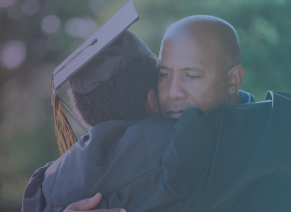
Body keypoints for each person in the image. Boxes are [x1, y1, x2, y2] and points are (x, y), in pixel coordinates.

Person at [23, 14, 291, 212]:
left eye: (192, 75)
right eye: (163, 75)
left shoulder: (46, 185)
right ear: (150, 95)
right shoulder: (193, 146)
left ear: (233, 80)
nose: (173, 91)